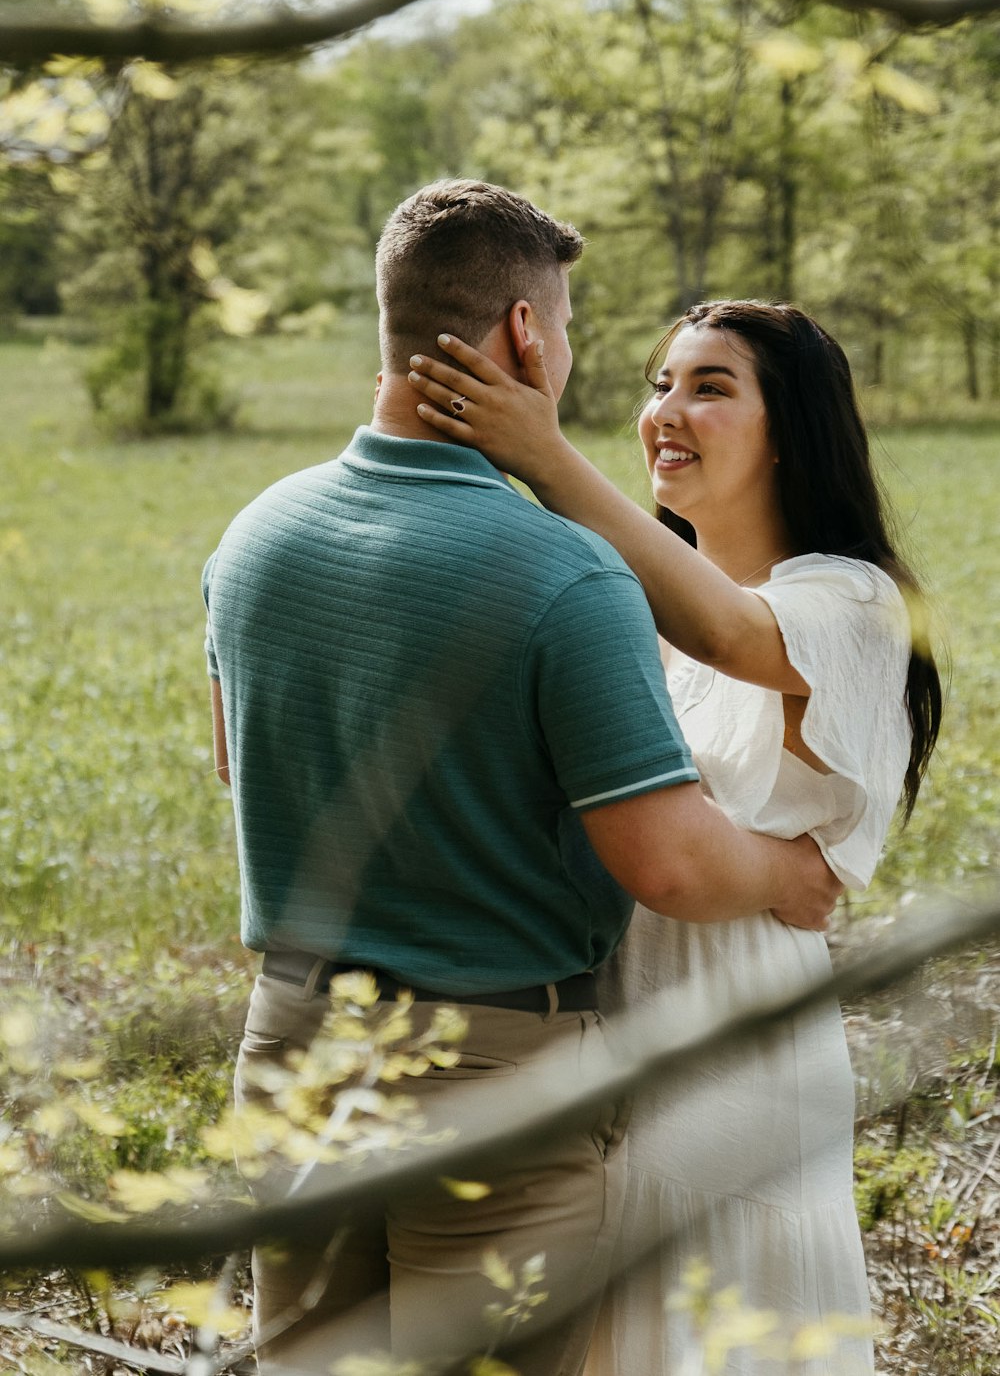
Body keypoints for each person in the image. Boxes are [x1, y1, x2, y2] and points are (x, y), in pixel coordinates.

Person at [202, 185, 843, 1376]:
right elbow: (666, 860)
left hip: (290, 1038)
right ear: (524, 334)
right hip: (489, 1073)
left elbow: (248, 773)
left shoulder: (255, 536)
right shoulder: (566, 576)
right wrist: (789, 871)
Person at [405, 298, 942, 1375]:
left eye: (710, 387)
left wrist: (544, 457)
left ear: (792, 428)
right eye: (660, 383)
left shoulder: (848, 600)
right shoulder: (633, 607)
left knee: (700, 1325)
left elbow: (733, 631)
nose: (667, 410)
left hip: (731, 1025)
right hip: (599, 1013)